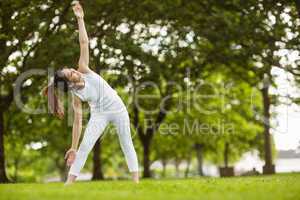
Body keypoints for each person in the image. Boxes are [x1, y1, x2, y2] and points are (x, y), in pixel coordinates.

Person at [42, 2, 139, 184]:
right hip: (99, 114)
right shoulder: (76, 97)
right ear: (70, 83)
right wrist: (73, 147)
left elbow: (84, 42)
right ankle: (69, 183)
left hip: (118, 109)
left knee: (126, 144)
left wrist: (80, 19)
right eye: (71, 73)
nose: (74, 70)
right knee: (85, 146)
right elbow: (77, 123)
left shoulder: (84, 68)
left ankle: (136, 182)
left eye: (71, 69)